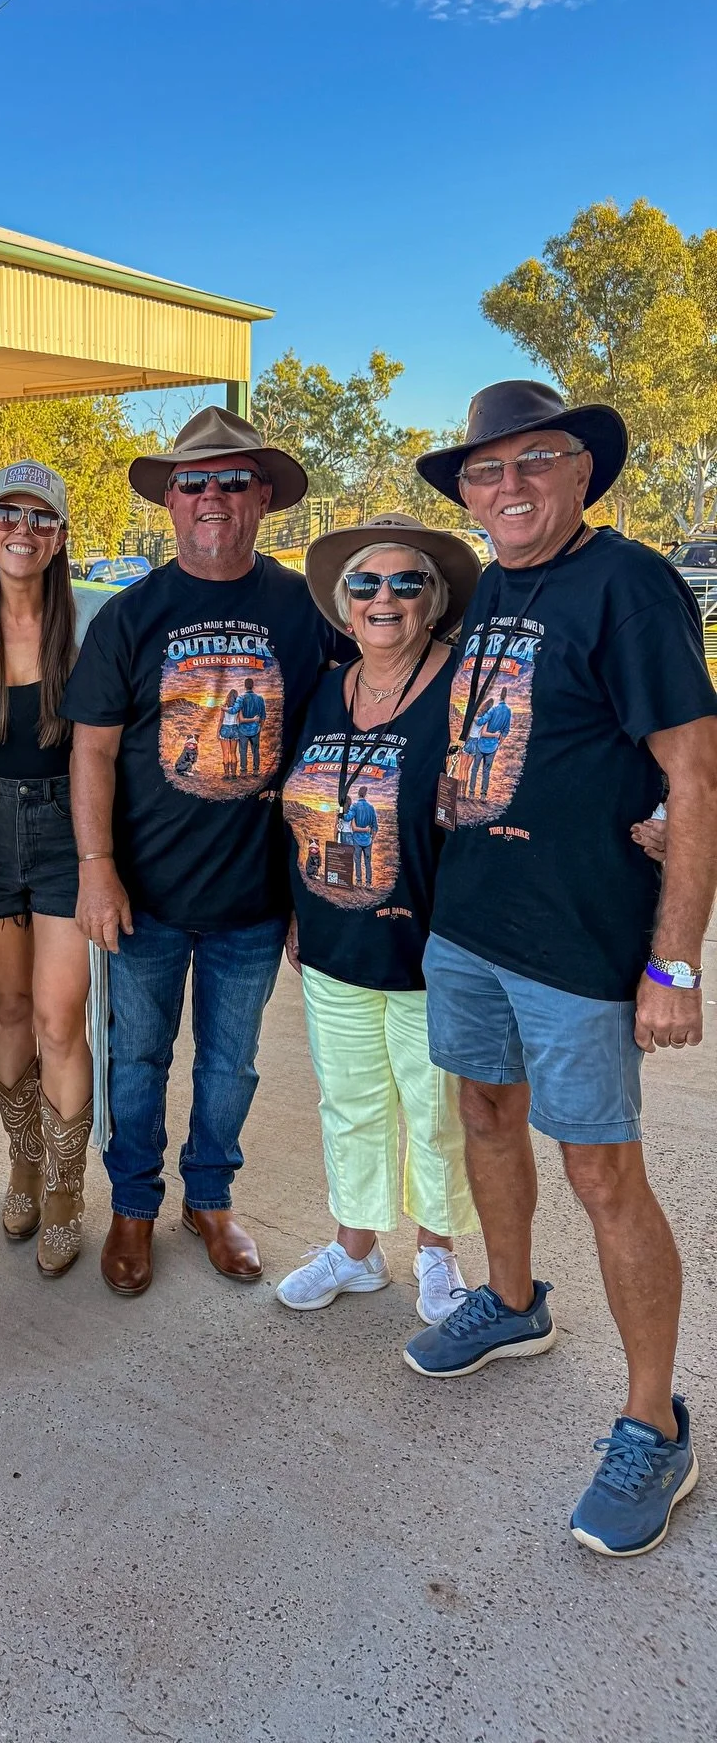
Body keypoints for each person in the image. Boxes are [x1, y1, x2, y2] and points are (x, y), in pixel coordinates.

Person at [406, 381, 717, 1559]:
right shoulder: (495, 594)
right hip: (474, 923)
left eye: (535, 462)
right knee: (487, 1115)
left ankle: (654, 1423)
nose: (510, 487)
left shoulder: (628, 582)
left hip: (582, 942)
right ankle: (515, 1303)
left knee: (602, 1171)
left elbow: (696, 780)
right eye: (487, 472)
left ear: (582, 473)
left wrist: (674, 965)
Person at [64, 406, 341, 1296]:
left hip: (255, 901)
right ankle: (134, 1207)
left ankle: (211, 1199)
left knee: (232, 1064)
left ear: (263, 497)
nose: (212, 497)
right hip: (143, 897)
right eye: (195, 482)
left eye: (232, 480)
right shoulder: (131, 615)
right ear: (170, 501)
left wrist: (313, 889)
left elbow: (346, 732)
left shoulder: (307, 607)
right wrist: (96, 870)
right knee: (137, 1059)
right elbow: (94, 749)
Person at [276, 513, 483, 1323]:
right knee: (351, 1100)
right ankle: (355, 1248)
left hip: (435, 946)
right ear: (343, 602)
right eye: (366, 584)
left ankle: (438, 1253)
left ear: (432, 602)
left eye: (406, 582)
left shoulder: (463, 686)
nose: (384, 597)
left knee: (436, 1108)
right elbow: (291, 801)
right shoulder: (330, 688)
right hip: (334, 939)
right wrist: (295, 908)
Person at [0, 462, 111, 1275]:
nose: (23, 528)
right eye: (7, 513)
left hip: (62, 830)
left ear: (61, 536)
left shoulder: (90, 629)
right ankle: (23, 1162)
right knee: (5, 1009)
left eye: (41, 517)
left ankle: (66, 1189)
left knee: (58, 1019)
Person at [466, 686, 511, 798]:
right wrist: (498, 743)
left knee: (475, 769)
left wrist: (473, 717)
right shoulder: (508, 711)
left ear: (499, 696)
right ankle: (483, 795)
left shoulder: (493, 710)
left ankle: (471, 793)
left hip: (481, 744)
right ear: (506, 697)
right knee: (486, 771)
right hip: (493, 746)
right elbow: (506, 731)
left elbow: (481, 721)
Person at [235, 676, 266, 775]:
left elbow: (237, 713)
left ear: (245, 686)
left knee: (243, 751)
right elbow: (263, 715)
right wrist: (260, 727)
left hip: (243, 729)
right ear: (253, 686)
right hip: (255, 728)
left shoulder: (241, 698)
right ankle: (256, 770)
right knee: (255, 751)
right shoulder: (260, 698)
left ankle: (243, 771)